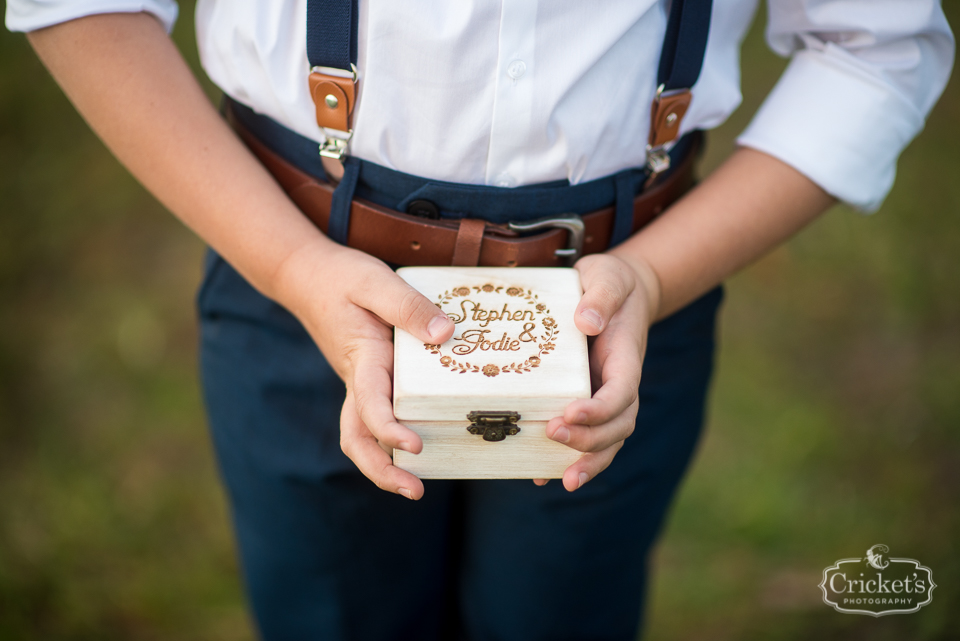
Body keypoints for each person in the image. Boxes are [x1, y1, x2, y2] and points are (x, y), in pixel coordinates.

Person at [7, 1, 953, 639]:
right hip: (292, 276)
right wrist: (294, 267)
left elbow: (877, 43)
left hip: (623, 309)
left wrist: (654, 280)